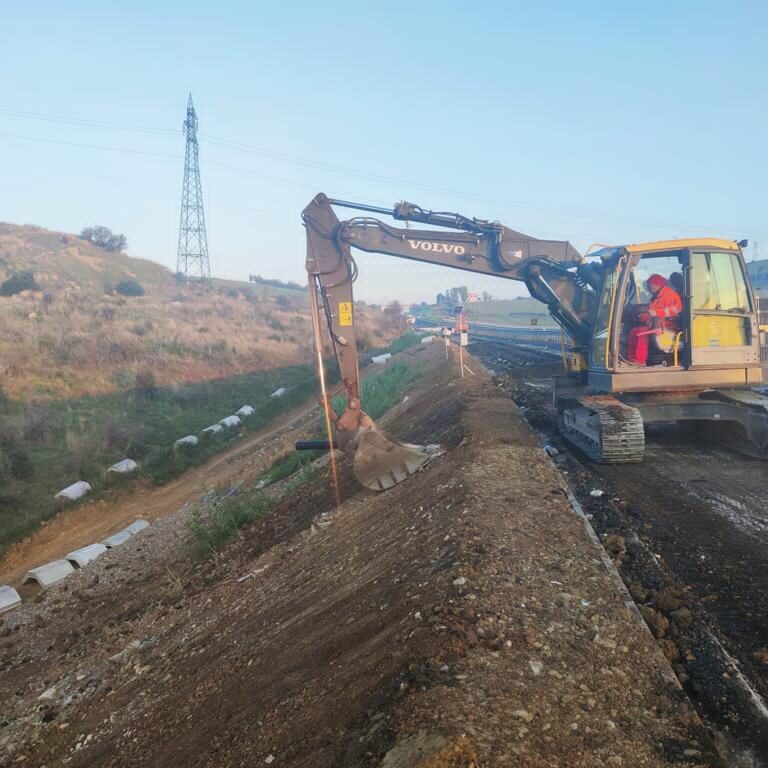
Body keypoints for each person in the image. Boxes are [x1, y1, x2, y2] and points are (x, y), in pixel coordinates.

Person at [627, 273, 682, 364]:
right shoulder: (657, 296)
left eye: (652, 285)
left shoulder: (668, 294)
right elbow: (653, 311)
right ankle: (631, 359)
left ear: (658, 284)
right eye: (649, 285)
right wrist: (645, 317)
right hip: (656, 324)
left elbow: (676, 310)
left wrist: (656, 313)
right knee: (634, 332)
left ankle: (640, 361)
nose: (650, 287)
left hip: (668, 326)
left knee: (641, 333)